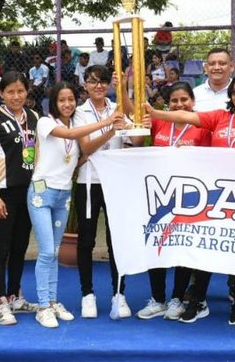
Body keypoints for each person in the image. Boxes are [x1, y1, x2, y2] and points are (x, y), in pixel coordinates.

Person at [145, 73, 235, 326]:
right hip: (214, 196)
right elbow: (185, 116)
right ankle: (195, 301)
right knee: (206, 247)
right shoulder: (219, 117)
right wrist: (156, 113)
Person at [29, 81, 124, 328]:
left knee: (56, 249)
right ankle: (42, 306)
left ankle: (51, 301)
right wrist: (108, 122)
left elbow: (79, 155)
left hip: (63, 194)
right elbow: (72, 136)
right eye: (62, 100)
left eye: (71, 99)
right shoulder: (46, 122)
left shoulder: (74, 123)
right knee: (48, 251)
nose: (67, 104)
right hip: (41, 192)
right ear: (53, 102)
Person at [136, 81, 211, 321]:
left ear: (193, 101)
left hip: (190, 197)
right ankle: (158, 299)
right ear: (168, 104)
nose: (180, 104)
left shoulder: (201, 126)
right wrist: (127, 88)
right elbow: (135, 119)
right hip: (159, 195)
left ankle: (177, 298)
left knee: (181, 247)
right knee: (156, 242)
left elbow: (214, 160)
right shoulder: (159, 122)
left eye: (184, 100)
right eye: (175, 101)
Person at [74, 64, 140, 319]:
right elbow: (86, 147)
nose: (98, 86)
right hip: (88, 181)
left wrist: (124, 107)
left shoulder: (119, 108)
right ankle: (87, 294)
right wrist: (112, 128)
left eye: (103, 81)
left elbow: (138, 140)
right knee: (86, 240)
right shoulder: (80, 113)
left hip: (116, 183)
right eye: (93, 81)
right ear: (86, 85)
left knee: (117, 240)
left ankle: (119, 294)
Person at [0, 71, 41, 326]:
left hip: (27, 192)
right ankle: (0, 300)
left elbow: (37, 152)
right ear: (2, 94)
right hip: (3, 193)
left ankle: (15, 295)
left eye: (21, 91)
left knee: (19, 248)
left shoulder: (35, 117)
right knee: (1, 249)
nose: (16, 96)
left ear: (27, 92)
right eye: (11, 92)